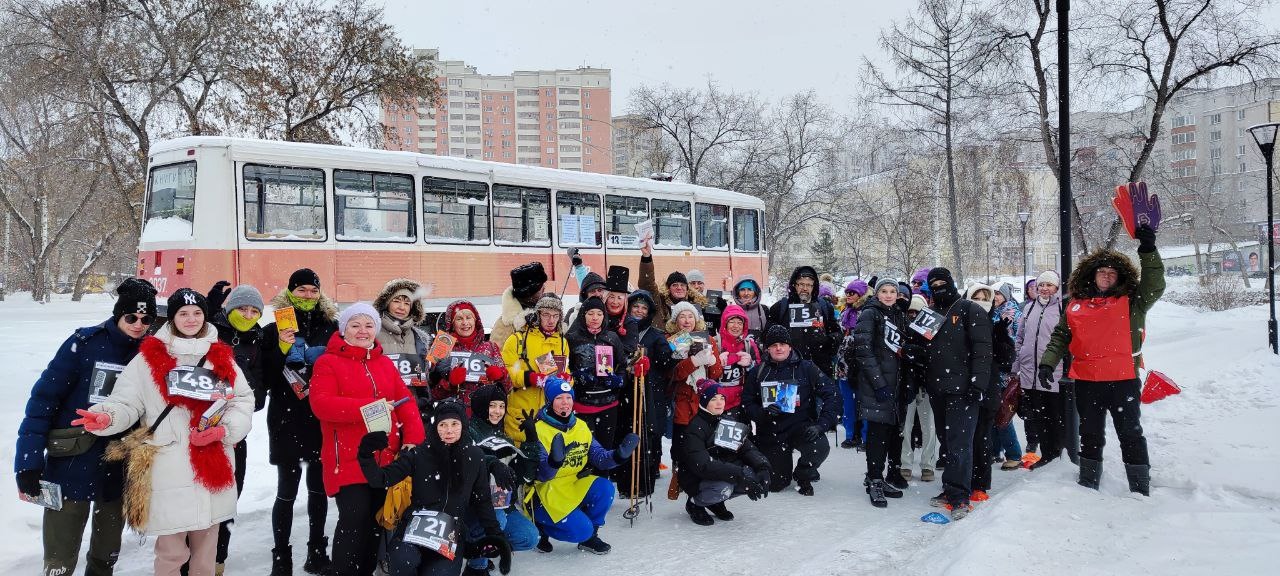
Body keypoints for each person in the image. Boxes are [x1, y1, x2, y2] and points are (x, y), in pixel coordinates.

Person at [74, 288, 253, 576]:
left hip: (213, 464)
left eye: (197, 313)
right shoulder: (148, 359)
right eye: (183, 313)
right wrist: (107, 417)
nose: (191, 319)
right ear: (172, 318)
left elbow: (242, 400)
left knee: (205, 555)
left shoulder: (220, 356)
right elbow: (126, 401)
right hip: (169, 466)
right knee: (171, 553)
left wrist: (224, 430)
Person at [15, 278, 156, 576]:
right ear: (119, 314)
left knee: (106, 555)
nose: (138, 324)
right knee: (59, 557)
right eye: (131, 317)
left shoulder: (152, 354)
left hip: (120, 465)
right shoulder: (84, 343)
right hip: (72, 460)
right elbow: (42, 402)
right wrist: (27, 462)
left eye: (147, 319)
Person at [1039, 224, 1165, 496]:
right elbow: (1061, 335)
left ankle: (1139, 486)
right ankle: (1088, 482)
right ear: (1092, 275)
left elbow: (1155, 283)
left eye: (1111, 272)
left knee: (1130, 434)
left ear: (1119, 277)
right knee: (1090, 434)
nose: (1106, 276)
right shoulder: (1075, 305)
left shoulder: (1133, 302)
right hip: (1087, 381)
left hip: (1123, 381)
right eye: (1101, 272)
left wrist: (1148, 249)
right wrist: (1048, 362)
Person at [309, 302, 426, 576]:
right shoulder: (328, 362)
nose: (363, 331)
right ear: (344, 329)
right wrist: (369, 407)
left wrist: (413, 438)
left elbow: (405, 402)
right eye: (355, 325)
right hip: (348, 460)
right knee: (353, 519)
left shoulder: (384, 362)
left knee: (375, 522)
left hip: (385, 459)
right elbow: (321, 404)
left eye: (369, 325)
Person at [356, 399, 509, 576]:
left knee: (439, 573)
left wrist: (496, 535)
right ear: (435, 427)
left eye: (454, 424)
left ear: (463, 426)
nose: (449, 430)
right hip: (414, 527)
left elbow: (482, 500)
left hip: (450, 533)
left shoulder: (475, 456)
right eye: (443, 424)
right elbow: (382, 479)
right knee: (403, 560)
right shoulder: (419, 453)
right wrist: (365, 454)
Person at [262, 268, 338, 575]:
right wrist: (281, 348)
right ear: (290, 291)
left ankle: (316, 551)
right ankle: (281, 557)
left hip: (320, 417)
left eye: (312, 290)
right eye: (301, 289)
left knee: (318, 490)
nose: (307, 295)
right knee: (286, 491)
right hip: (285, 418)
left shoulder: (332, 327)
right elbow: (266, 377)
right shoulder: (273, 328)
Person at [527, 377, 639, 555]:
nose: (565, 403)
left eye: (568, 397)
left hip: (572, 484)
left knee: (605, 488)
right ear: (549, 401)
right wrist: (554, 462)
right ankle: (540, 526)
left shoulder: (580, 426)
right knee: (581, 530)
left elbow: (599, 458)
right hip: (546, 490)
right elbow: (539, 475)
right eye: (559, 398)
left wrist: (618, 455)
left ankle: (590, 537)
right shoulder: (538, 429)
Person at [205, 283, 269, 572]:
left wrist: (240, 392)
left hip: (234, 432)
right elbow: (188, 329)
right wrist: (209, 307)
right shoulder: (211, 330)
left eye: (254, 310)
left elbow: (257, 395)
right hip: (198, 429)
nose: (247, 314)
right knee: (198, 499)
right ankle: (191, 562)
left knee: (230, 497)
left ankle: (218, 559)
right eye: (242, 308)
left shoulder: (257, 340)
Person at [920, 268, 992, 520]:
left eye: (943, 283)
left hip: (963, 390)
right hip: (937, 387)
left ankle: (960, 495)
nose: (939, 287)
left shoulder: (970, 310)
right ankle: (950, 486)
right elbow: (921, 347)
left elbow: (983, 351)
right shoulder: (928, 313)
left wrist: (978, 384)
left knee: (961, 443)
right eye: (934, 284)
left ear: (951, 283)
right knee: (947, 442)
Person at [741, 325, 839, 495]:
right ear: (767, 348)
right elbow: (747, 404)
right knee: (776, 485)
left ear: (790, 346)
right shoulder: (758, 372)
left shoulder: (807, 368)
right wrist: (762, 413)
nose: (778, 348)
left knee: (819, 447)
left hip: (800, 427)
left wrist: (821, 425)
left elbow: (832, 394)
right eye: (773, 345)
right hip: (770, 431)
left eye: (782, 344)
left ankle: (804, 473)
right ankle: (780, 468)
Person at [463, 385, 539, 574]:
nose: (497, 411)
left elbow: (525, 476)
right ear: (481, 406)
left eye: (501, 406)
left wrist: (531, 440)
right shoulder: (466, 431)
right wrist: (492, 464)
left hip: (501, 504)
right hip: (473, 506)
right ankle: (476, 567)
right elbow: (468, 458)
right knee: (497, 519)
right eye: (492, 406)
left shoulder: (504, 437)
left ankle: (487, 548)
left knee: (529, 537)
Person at [678, 379, 772, 526]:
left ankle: (715, 502)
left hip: (722, 472)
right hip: (695, 477)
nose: (719, 402)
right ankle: (695, 503)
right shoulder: (695, 428)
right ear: (703, 401)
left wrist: (763, 467)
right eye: (713, 399)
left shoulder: (726, 420)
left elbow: (747, 447)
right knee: (725, 487)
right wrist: (739, 475)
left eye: (722, 398)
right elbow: (703, 465)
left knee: (753, 477)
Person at [852, 280, 908, 507]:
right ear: (877, 294)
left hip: (895, 384)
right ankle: (874, 479)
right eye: (884, 291)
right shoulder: (870, 314)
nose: (888, 295)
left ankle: (881, 476)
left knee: (892, 432)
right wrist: (879, 383)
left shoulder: (897, 315)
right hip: (877, 385)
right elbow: (863, 350)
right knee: (877, 433)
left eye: (892, 291)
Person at [612, 290, 672, 497]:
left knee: (649, 433)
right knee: (625, 432)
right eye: (635, 306)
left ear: (649, 312)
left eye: (643, 308)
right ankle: (624, 476)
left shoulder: (655, 335)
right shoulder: (620, 330)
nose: (639, 310)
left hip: (650, 392)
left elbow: (666, 362)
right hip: (625, 390)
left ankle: (648, 473)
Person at [1013, 270, 1066, 469]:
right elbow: (1020, 338)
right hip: (1029, 373)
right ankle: (1045, 454)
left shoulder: (1062, 308)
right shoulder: (1028, 308)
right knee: (1037, 416)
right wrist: (1018, 362)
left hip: (1053, 373)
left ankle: (1057, 454)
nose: (1044, 289)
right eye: (1041, 285)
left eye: (1049, 285)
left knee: (1055, 416)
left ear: (1057, 288)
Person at [564, 296, 633, 449]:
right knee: (583, 450)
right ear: (583, 315)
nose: (595, 318)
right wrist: (578, 376)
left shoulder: (612, 337)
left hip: (609, 404)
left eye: (599, 314)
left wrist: (619, 380)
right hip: (582, 404)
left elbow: (622, 366)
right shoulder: (572, 338)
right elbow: (565, 369)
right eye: (590, 313)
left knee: (605, 450)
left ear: (604, 316)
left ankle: (603, 474)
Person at [501, 294, 570, 444]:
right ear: (537, 314)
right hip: (522, 414)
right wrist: (529, 378)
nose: (551, 320)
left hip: (551, 415)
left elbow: (566, 370)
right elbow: (504, 372)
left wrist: (567, 380)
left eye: (555, 315)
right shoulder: (517, 339)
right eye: (546, 314)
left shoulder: (563, 342)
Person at [431, 300, 511, 413]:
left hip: (485, 415)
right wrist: (449, 383)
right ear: (452, 323)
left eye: (468, 317)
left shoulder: (490, 347)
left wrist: (500, 376)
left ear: (475, 320)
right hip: (453, 417)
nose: (465, 323)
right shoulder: (441, 345)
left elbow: (508, 388)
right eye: (459, 319)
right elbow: (430, 392)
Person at [669, 302, 723, 463]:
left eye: (690, 316)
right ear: (675, 321)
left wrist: (712, 361)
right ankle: (678, 477)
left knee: (703, 445)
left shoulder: (708, 339)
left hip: (703, 401)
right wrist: (693, 361)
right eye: (682, 316)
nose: (687, 320)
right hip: (683, 400)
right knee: (681, 445)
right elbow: (673, 374)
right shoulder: (673, 340)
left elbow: (716, 374)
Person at [767, 266, 842, 377]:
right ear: (794, 285)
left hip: (820, 368)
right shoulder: (781, 307)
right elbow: (768, 335)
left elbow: (837, 332)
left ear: (814, 287)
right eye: (801, 284)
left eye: (808, 285)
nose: (805, 288)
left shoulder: (824, 306)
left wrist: (829, 341)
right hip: (789, 368)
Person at [373, 278, 433, 407]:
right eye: (396, 301)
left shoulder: (420, 337)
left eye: (407, 303)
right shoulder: (372, 333)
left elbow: (425, 375)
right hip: (383, 404)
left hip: (413, 404)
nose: (401, 307)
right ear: (387, 303)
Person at [898, 295, 938, 483]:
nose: (913, 316)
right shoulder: (902, 328)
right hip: (907, 382)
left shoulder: (931, 329)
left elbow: (935, 353)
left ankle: (927, 465)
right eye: (910, 312)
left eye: (916, 312)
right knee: (905, 426)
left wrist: (920, 353)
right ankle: (905, 463)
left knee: (928, 426)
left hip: (926, 383)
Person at [990, 284, 1024, 471]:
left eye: (999, 293)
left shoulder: (1015, 315)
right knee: (993, 412)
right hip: (993, 369)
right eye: (993, 293)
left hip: (1006, 371)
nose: (996, 297)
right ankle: (995, 451)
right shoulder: (990, 312)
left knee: (1003, 413)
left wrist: (1013, 365)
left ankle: (1013, 454)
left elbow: (1019, 342)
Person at [638, 241, 708, 330]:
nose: (679, 288)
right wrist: (646, 258)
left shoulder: (696, 303)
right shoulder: (659, 302)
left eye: (682, 285)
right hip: (663, 341)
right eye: (675, 285)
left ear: (687, 289)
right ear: (668, 288)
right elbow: (647, 284)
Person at [837, 278, 870, 450]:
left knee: (864, 402)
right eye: (847, 293)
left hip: (862, 363)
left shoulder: (866, 313)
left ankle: (865, 436)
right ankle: (850, 435)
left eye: (853, 293)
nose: (849, 296)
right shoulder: (845, 312)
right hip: (844, 364)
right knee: (848, 402)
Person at [715, 304, 761, 414]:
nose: (736, 326)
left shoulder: (749, 345)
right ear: (725, 323)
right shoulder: (715, 343)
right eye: (732, 321)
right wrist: (716, 364)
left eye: (740, 323)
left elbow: (759, 373)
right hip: (716, 402)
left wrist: (750, 364)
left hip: (740, 403)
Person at [491, 262, 549, 348]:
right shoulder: (506, 326)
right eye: (541, 286)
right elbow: (498, 358)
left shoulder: (545, 312)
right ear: (530, 291)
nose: (544, 288)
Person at [731, 275, 770, 339]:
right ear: (737, 292)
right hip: (738, 347)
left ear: (755, 292)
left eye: (750, 289)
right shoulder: (732, 311)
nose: (746, 293)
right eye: (742, 290)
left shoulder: (764, 309)